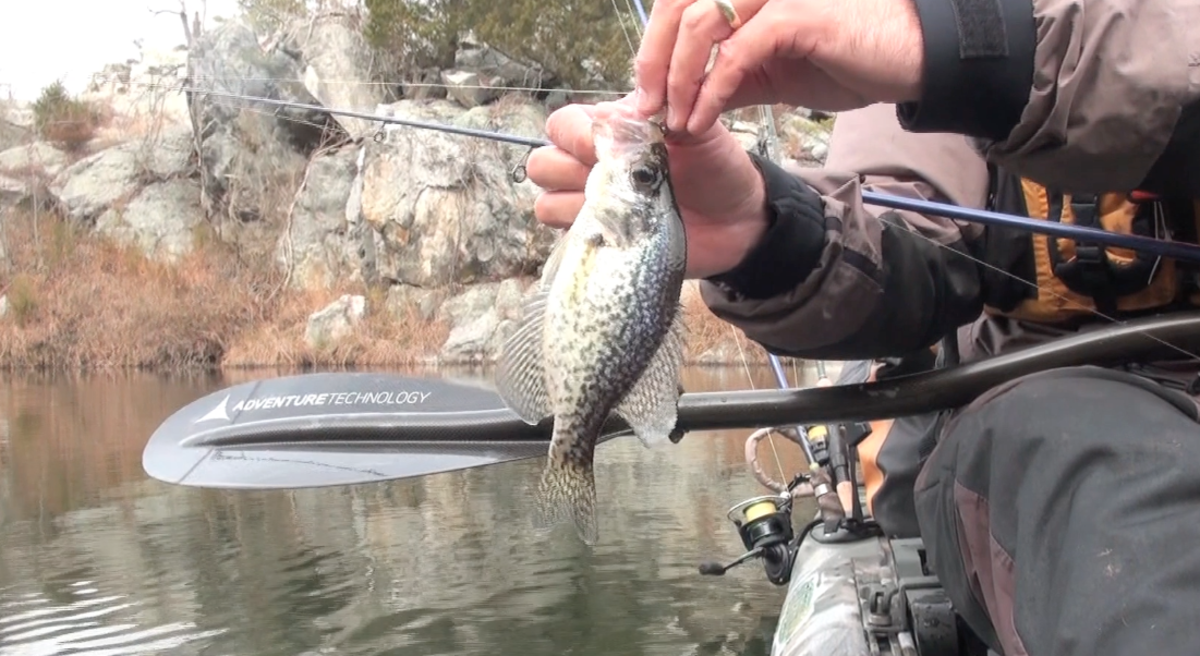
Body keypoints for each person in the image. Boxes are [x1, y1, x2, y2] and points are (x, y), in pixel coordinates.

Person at [524, 0, 1200, 654]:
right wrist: (768, 233)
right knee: (1082, 453)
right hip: (1066, 422)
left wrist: (962, 44)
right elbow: (916, 253)